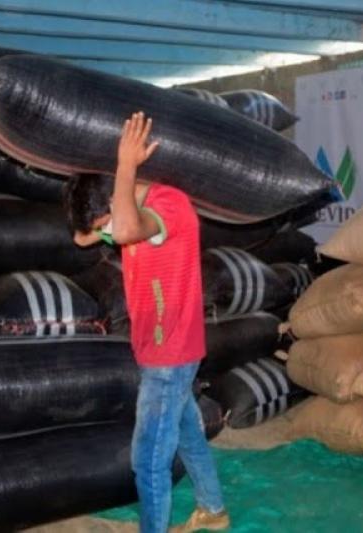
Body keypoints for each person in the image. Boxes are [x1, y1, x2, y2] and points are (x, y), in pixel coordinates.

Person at [66, 111, 229, 533]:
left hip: (170, 353)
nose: (104, 230)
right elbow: (86, 236)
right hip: (159, 348)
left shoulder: (167, 207)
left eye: (105, 218)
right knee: (188, 433)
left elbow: (123, 230)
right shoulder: (123, 212)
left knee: (149, 458)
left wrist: (124, 165)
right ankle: (213, 509)